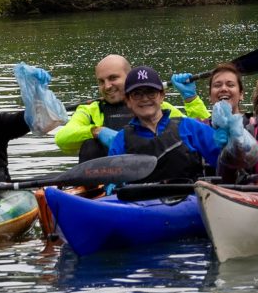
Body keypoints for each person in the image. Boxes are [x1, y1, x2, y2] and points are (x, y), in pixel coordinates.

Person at [95, 65, 226, 196]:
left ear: (162, 96)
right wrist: (111, 185)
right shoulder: (121, 140)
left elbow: (224, 162)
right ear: (128, 101)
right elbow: (111, 183)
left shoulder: (190, 127)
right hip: (141, 207)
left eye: (151, 92)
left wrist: (234, 146)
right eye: (137, 94)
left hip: (190, 203)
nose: (145, 98)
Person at [54, 54, 211, 153]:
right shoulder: (90, 110)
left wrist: (191, 99)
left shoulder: (155, 107)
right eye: (101, 81)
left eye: (113, 78)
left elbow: (204, 132)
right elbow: (62, 139)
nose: (107, 86)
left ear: (129, 78)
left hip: (153, 172)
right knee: (90, 147)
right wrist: (97, 131)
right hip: (106, 181)